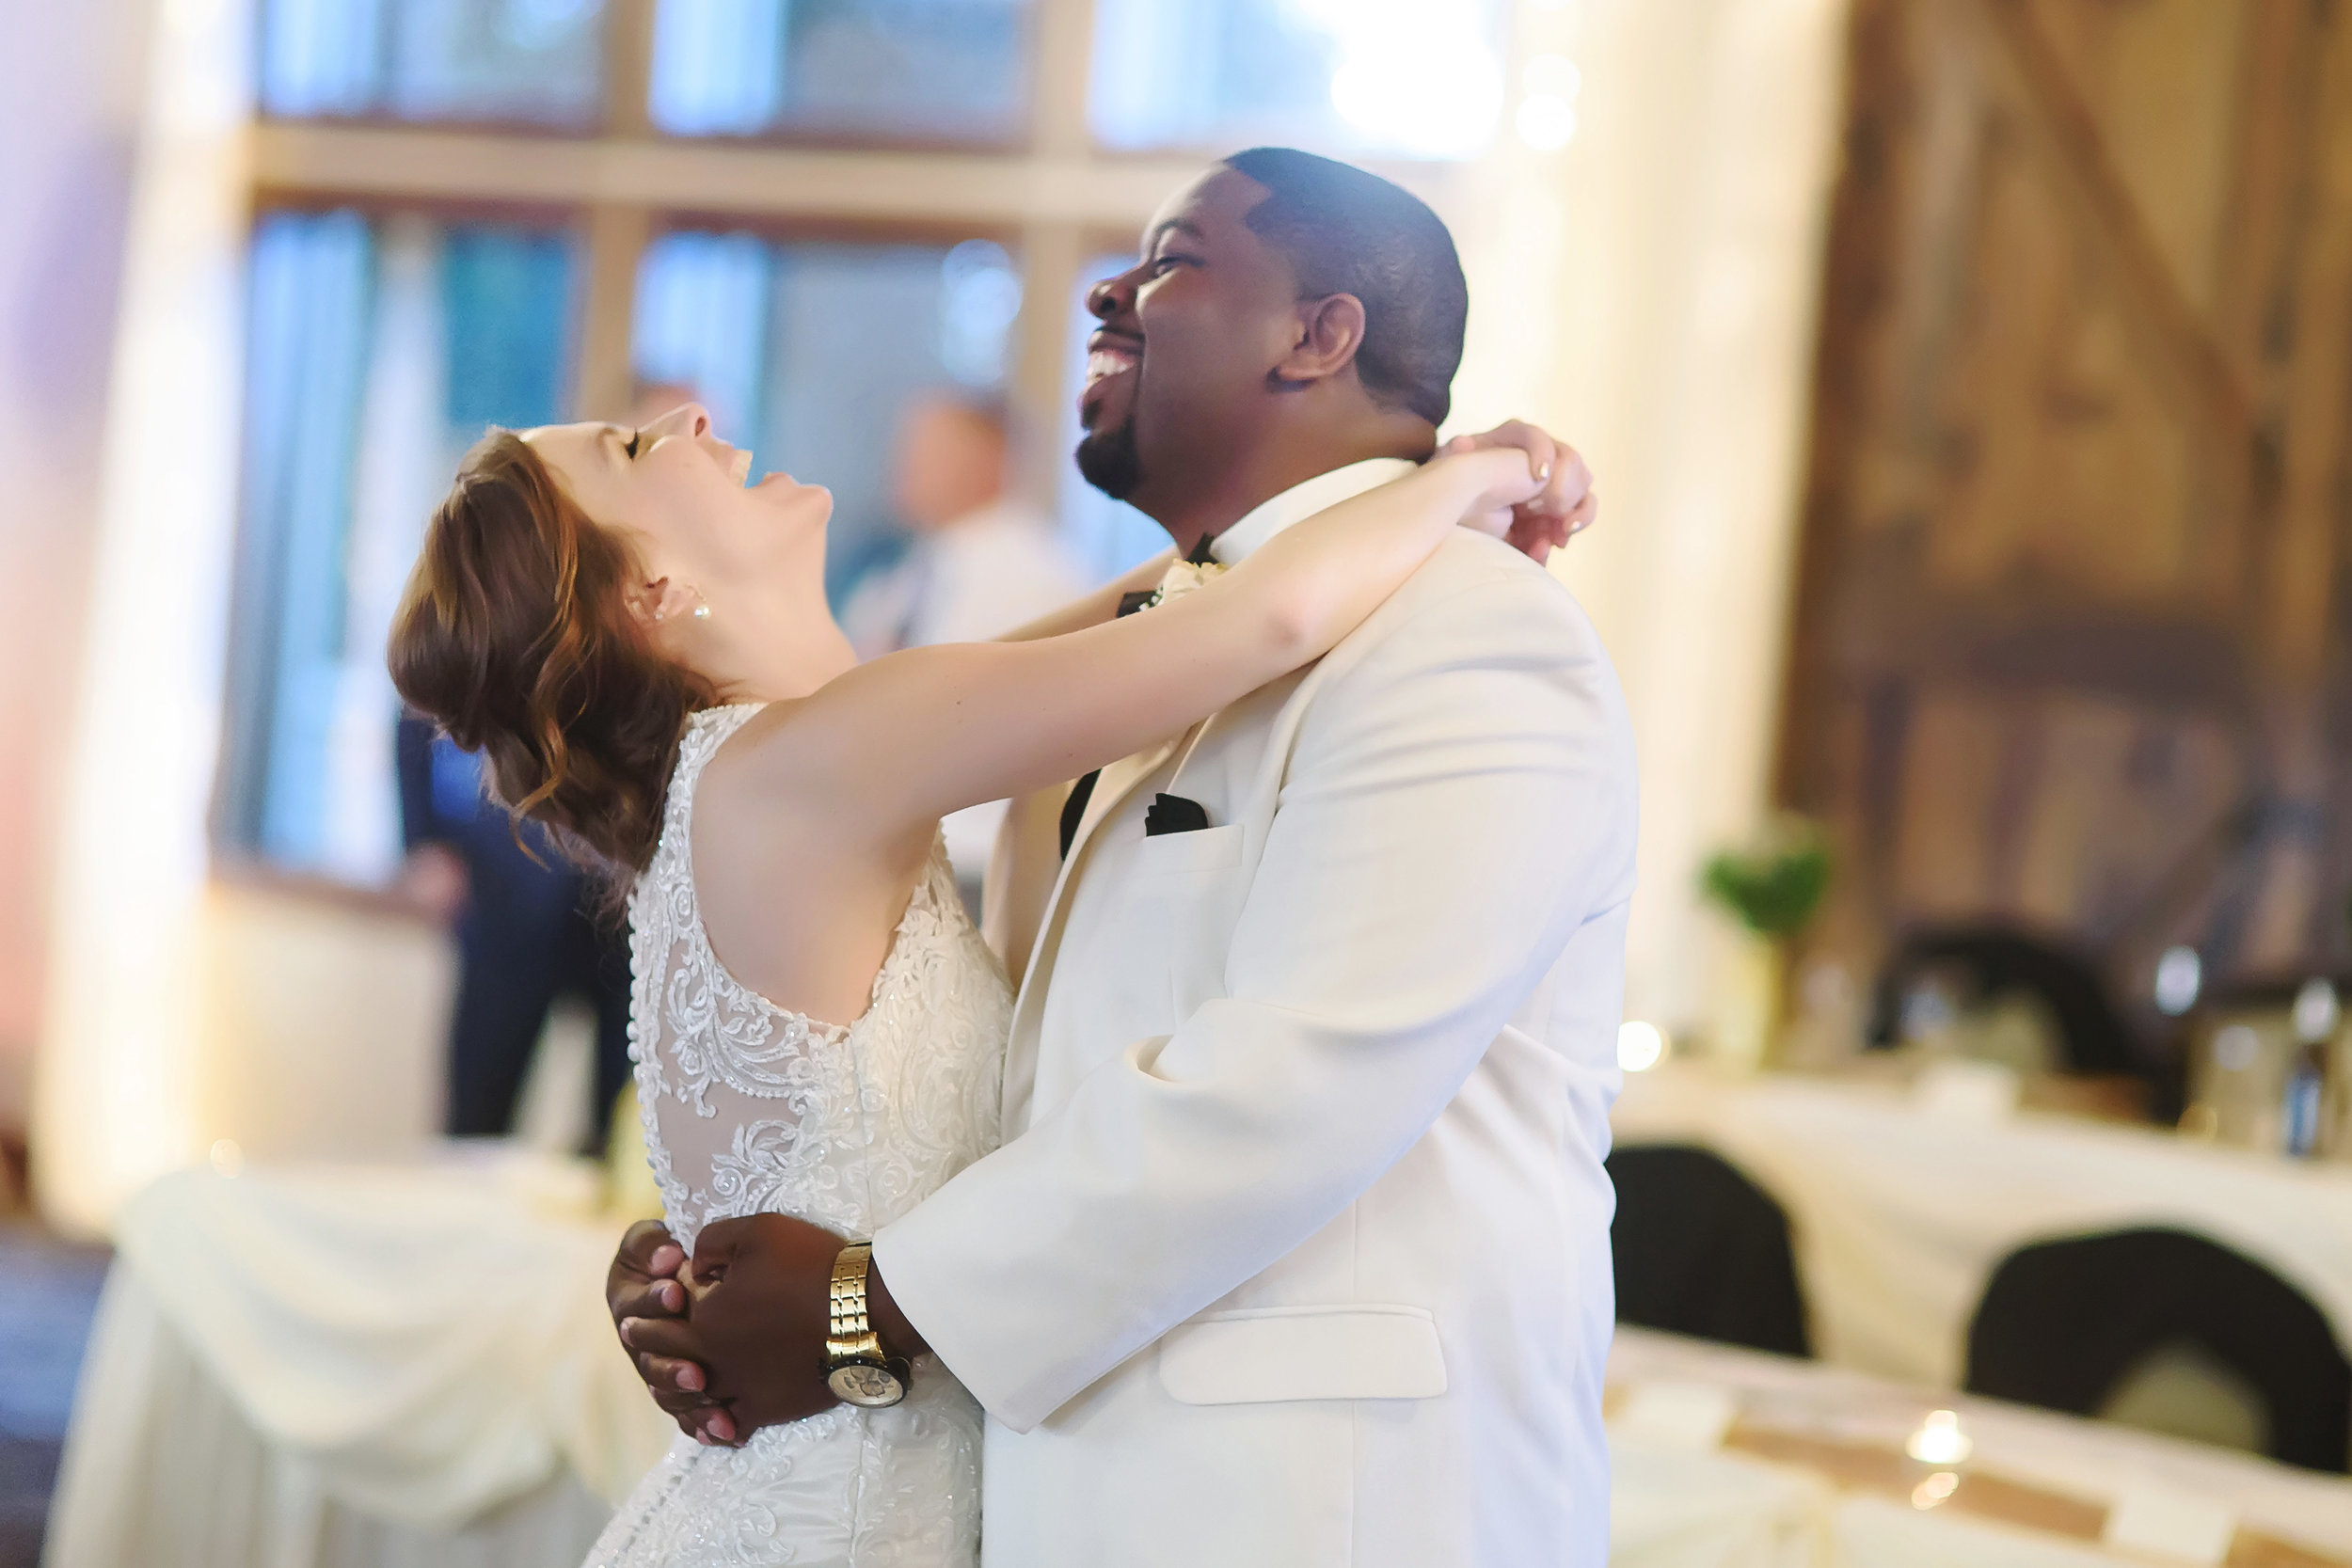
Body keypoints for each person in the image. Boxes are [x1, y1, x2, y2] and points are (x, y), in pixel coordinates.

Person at [388, 303, 1579, 1565]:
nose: (686, 420)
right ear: (656, 589)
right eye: (634, 451)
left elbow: (1156, 609)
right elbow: (1256, 624)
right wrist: (1471, 474)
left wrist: (1376, 501)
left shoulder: (797, 762)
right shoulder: (808, 762)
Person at [838, 391, 1086, 889]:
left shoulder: (1032, 575)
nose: (904, 467)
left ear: (987, 459)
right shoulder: (911, 568)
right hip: (903, 842)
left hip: (978, 850)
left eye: (929, 451)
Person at [394, 712, 634, 1151]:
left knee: (622, 1128)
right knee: (475, 1122)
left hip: (617, 903)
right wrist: (423, 840)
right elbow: (420, 702)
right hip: (502, 895)